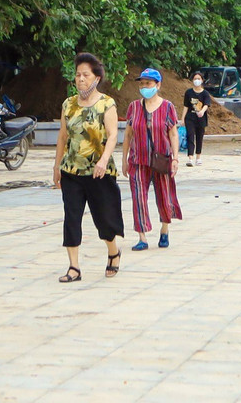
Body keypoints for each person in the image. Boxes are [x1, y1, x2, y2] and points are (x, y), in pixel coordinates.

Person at [53, 52, 125, 283]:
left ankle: (113, 251)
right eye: (77, 75)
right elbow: (63, 137)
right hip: (72, 171)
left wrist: (104, 160)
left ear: (96, 78)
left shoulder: (107, 103)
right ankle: (74, 267)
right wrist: (57, 166)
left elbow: (113, 135)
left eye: (85, 75)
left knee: (103, 218)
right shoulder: (68, 104)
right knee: (71, 217)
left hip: (99, 172)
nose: (80, 79)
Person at [123, 68, 182, 250]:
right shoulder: (134, 107)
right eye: (142, 83)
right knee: (138, 198)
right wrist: (124, 159)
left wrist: (175, 158)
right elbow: (128, 135)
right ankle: (142, 237)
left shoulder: (168, 107)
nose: (144, 87)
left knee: (164, 196)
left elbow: (173, 134)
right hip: (138, 160)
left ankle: (164, 230)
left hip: (161, 160)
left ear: (158, 85)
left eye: (148, 83)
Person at [181, 71, 213, 167]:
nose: (197, 81)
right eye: (195, 79)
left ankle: (198, 157)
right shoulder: (188, 92)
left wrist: (202, 111)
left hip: (201, 119)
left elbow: (207, 104)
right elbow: (186, 106)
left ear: (202, 80)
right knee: (190, 136)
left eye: (199, 79)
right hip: (190, 118)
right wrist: (182, 119)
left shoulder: (205, 93)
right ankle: (190, 158)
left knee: (199, 137)